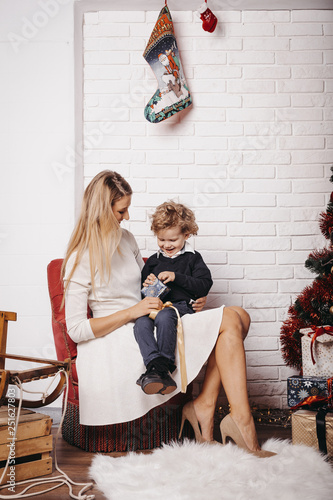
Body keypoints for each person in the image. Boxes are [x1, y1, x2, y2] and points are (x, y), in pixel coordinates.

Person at [62, 170, 275, 457]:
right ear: (102, 210)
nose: (126, 217)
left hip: (151, 314)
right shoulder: (80, 256)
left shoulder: (125, 239)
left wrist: (185, 297)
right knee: (230, 318)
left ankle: (204, 406)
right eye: (121, 210)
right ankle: (242, 422)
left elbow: (146, 285)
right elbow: (75, 329)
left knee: (241, 316)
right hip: (119, 333)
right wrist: (132, 311)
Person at [134, 201, 213, 396]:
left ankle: (166, 365)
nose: (167, 245)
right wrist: (148, 283)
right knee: (141, 323)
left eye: (173, 240)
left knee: (165, 317)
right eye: (161, 240)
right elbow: (141, 290)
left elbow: (204, 284)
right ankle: (154, 365)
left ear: (186, 235)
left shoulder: (193, 258)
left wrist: (177, 277)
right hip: (155, 305)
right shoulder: (153, 261)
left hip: (179, 307)